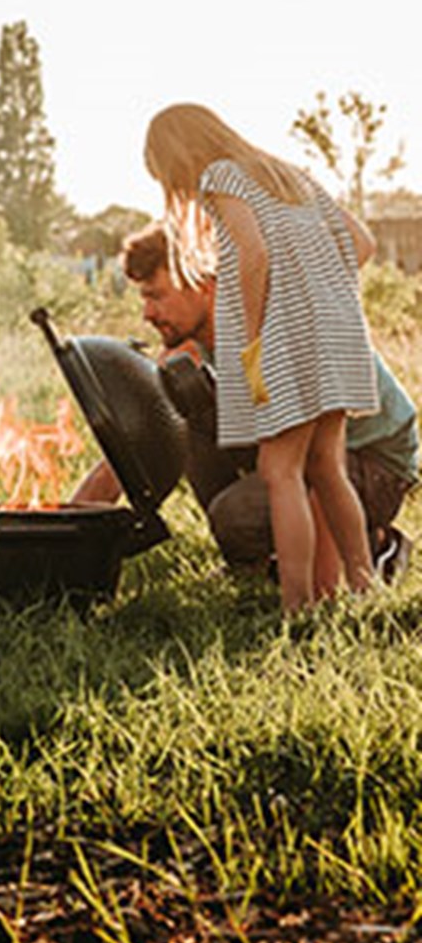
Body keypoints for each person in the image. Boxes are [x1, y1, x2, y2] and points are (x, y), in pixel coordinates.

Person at [73, 222, 417, 581]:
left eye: (156, 296)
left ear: (203, 286)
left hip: (375, 462)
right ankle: (252, 564)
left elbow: (318, 454)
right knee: (180, 411)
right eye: (143, 298)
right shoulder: (191, 346)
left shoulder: (269, 327)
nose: (147, 313)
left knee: (236, 516)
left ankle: (376, 546)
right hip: (303, 449)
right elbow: (136, 438)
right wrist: (70, 525)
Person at [143, 103, 379, 611]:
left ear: (180, 155)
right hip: (337, 335)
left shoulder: (220, 175)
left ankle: (297, 607)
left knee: (279, 469)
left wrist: (252, 339)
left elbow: (252, 254)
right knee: (326, 466)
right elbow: (362, 243)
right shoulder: (290, 176)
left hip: (283, 340)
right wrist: (320, 289)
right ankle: (366, 590)